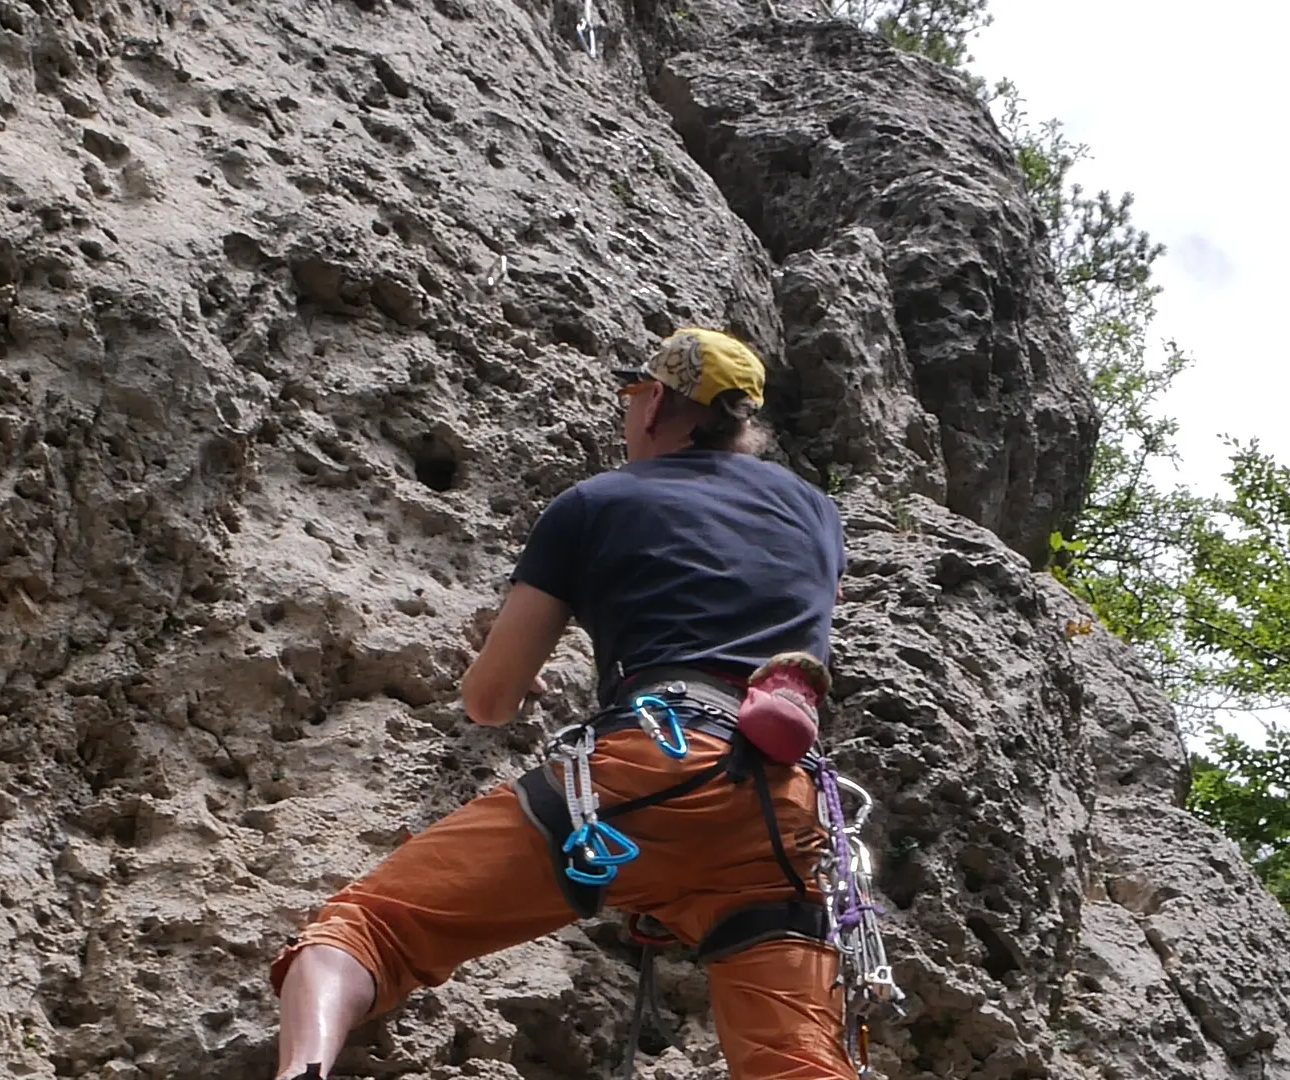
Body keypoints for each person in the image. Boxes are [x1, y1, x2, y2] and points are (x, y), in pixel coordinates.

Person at [269, 327, 854, 1079]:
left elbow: (488, 699)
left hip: (651, 767)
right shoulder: (815, 513)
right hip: (780, 801)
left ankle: (302, 1072)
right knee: (795, 1064)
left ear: (653, 407)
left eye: (632, 396)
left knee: (366, 929)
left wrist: (512, 660)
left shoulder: (595, 502)